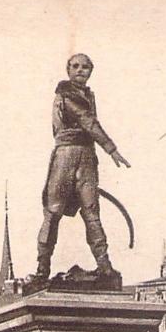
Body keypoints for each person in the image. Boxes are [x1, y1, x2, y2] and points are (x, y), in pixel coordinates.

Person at [36, 53, 131, 283]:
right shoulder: (65, 94)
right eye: (76, 66)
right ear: (68, 69)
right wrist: (111, 149)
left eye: (86, 67)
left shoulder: (88, 95)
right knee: (52, 212)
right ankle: (42, 269)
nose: (81, 70)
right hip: (66, 156)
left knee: (92, 212)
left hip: (87, 157)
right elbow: (87, 121)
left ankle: (105, 266)